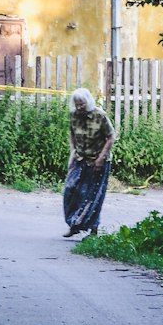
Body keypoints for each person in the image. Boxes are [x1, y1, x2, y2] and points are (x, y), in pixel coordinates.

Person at [62, 87, 114, 237]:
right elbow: (72, 134)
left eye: (82, 104)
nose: (79, 107)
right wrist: (72, 152)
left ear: (88, 102)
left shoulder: (100, 116)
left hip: (97, 161)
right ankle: (74, 224)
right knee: (70, 190)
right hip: (80, 159)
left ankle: (93, 230)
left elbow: (110, 137)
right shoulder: (74, 116)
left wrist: (101, 158)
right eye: (77, 104)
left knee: (93, 196)